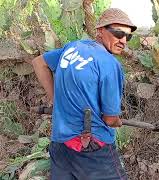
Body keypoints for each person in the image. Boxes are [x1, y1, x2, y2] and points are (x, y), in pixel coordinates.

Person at [32, 8, 136, 180]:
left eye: (128, 36)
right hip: (92, 150)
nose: (123, 41)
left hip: (60, 143)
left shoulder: (73, 47)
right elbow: (110, 119)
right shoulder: (109, 64)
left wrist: (55, 100)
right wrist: (117, 121)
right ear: (100, 31)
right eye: (118, 33)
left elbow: (38, 63)